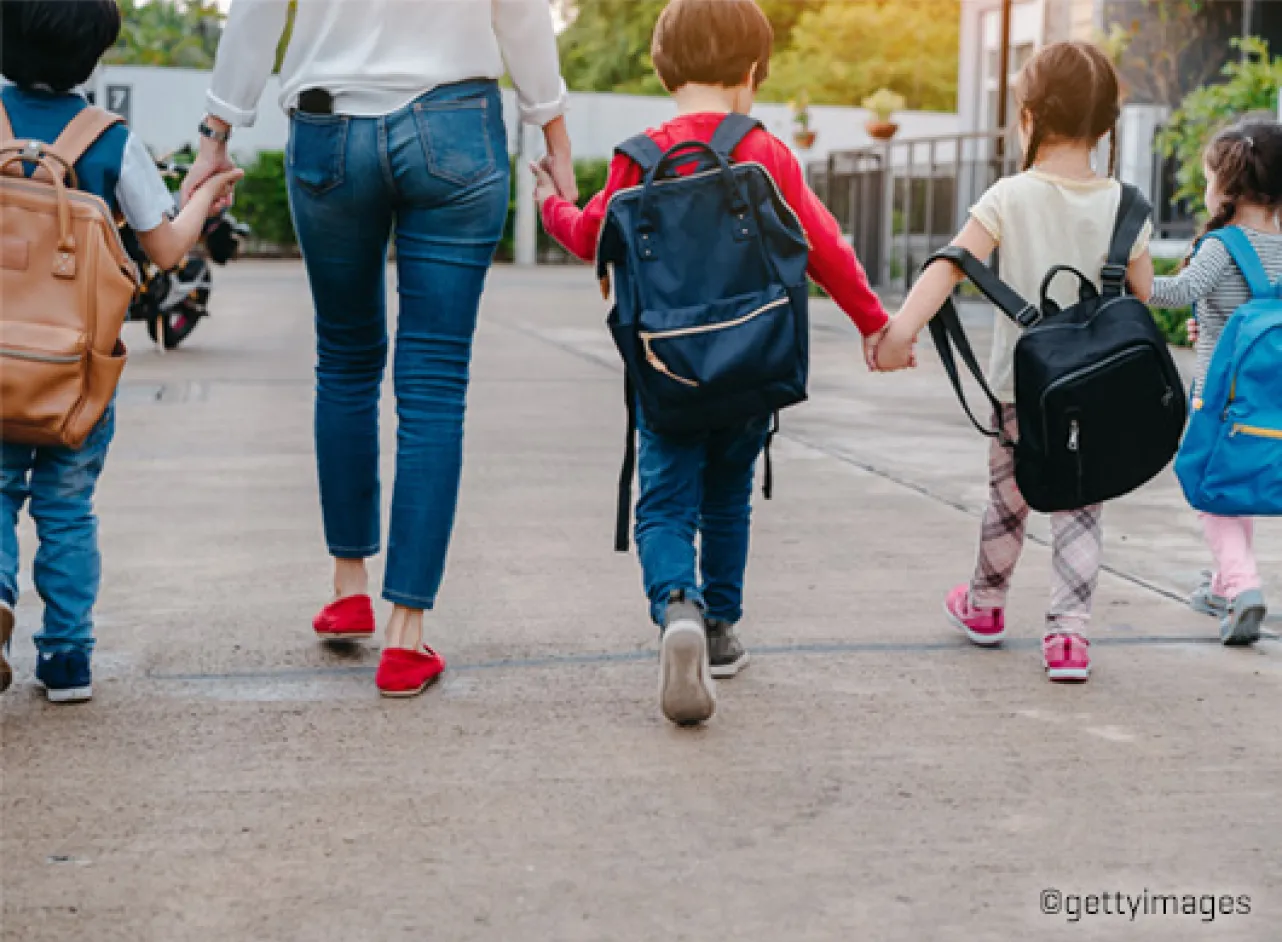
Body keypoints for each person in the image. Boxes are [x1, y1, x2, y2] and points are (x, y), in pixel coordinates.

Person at [184, 0, 573, 698]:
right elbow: (520, 14)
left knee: (345, 360)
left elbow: (257, 13)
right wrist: (554, 131)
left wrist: (216, 135)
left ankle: (348, 587)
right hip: (456, 126)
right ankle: (405, 637)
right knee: (433, 382)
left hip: (328, 127)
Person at [534, 0, 888, 724]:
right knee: (728, 494)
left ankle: (678, 608)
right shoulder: (765, 152)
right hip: (753, 365)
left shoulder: (640, 154)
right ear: (751, 72)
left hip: (667, 370)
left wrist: (550, 203)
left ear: (664, 69)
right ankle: (721, 630)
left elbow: (590, 236)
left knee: (665, 501)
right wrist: (875, 324)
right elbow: (825, 247)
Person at [875, 41, 1154, 683]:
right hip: (1100, 394)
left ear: (1027, 118)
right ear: (1108, 125)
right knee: (1081, 505)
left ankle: (986, 606)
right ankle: (1068, 639)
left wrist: (900, 332)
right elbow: (1142, 294)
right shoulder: (1127, 206)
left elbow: (950, 263)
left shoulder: (1009, 195)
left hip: (1020, 392)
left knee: (1008, 502)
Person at [0, 0, 241, 702]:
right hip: (76, 374)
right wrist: (206, 197)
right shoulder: (110, 140)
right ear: (93, 55)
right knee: (67, 510)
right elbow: (165, 250)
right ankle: (68, 659)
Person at [1149, 118, 1282, 643]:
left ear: (1225, 186)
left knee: (1211, 490)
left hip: (1220, 396)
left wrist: (1125, 277)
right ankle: (1227, 585)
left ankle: (1245, 585)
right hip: (1273, 398)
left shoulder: (1224, 246)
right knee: (1237, 487)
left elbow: (1176, 292)